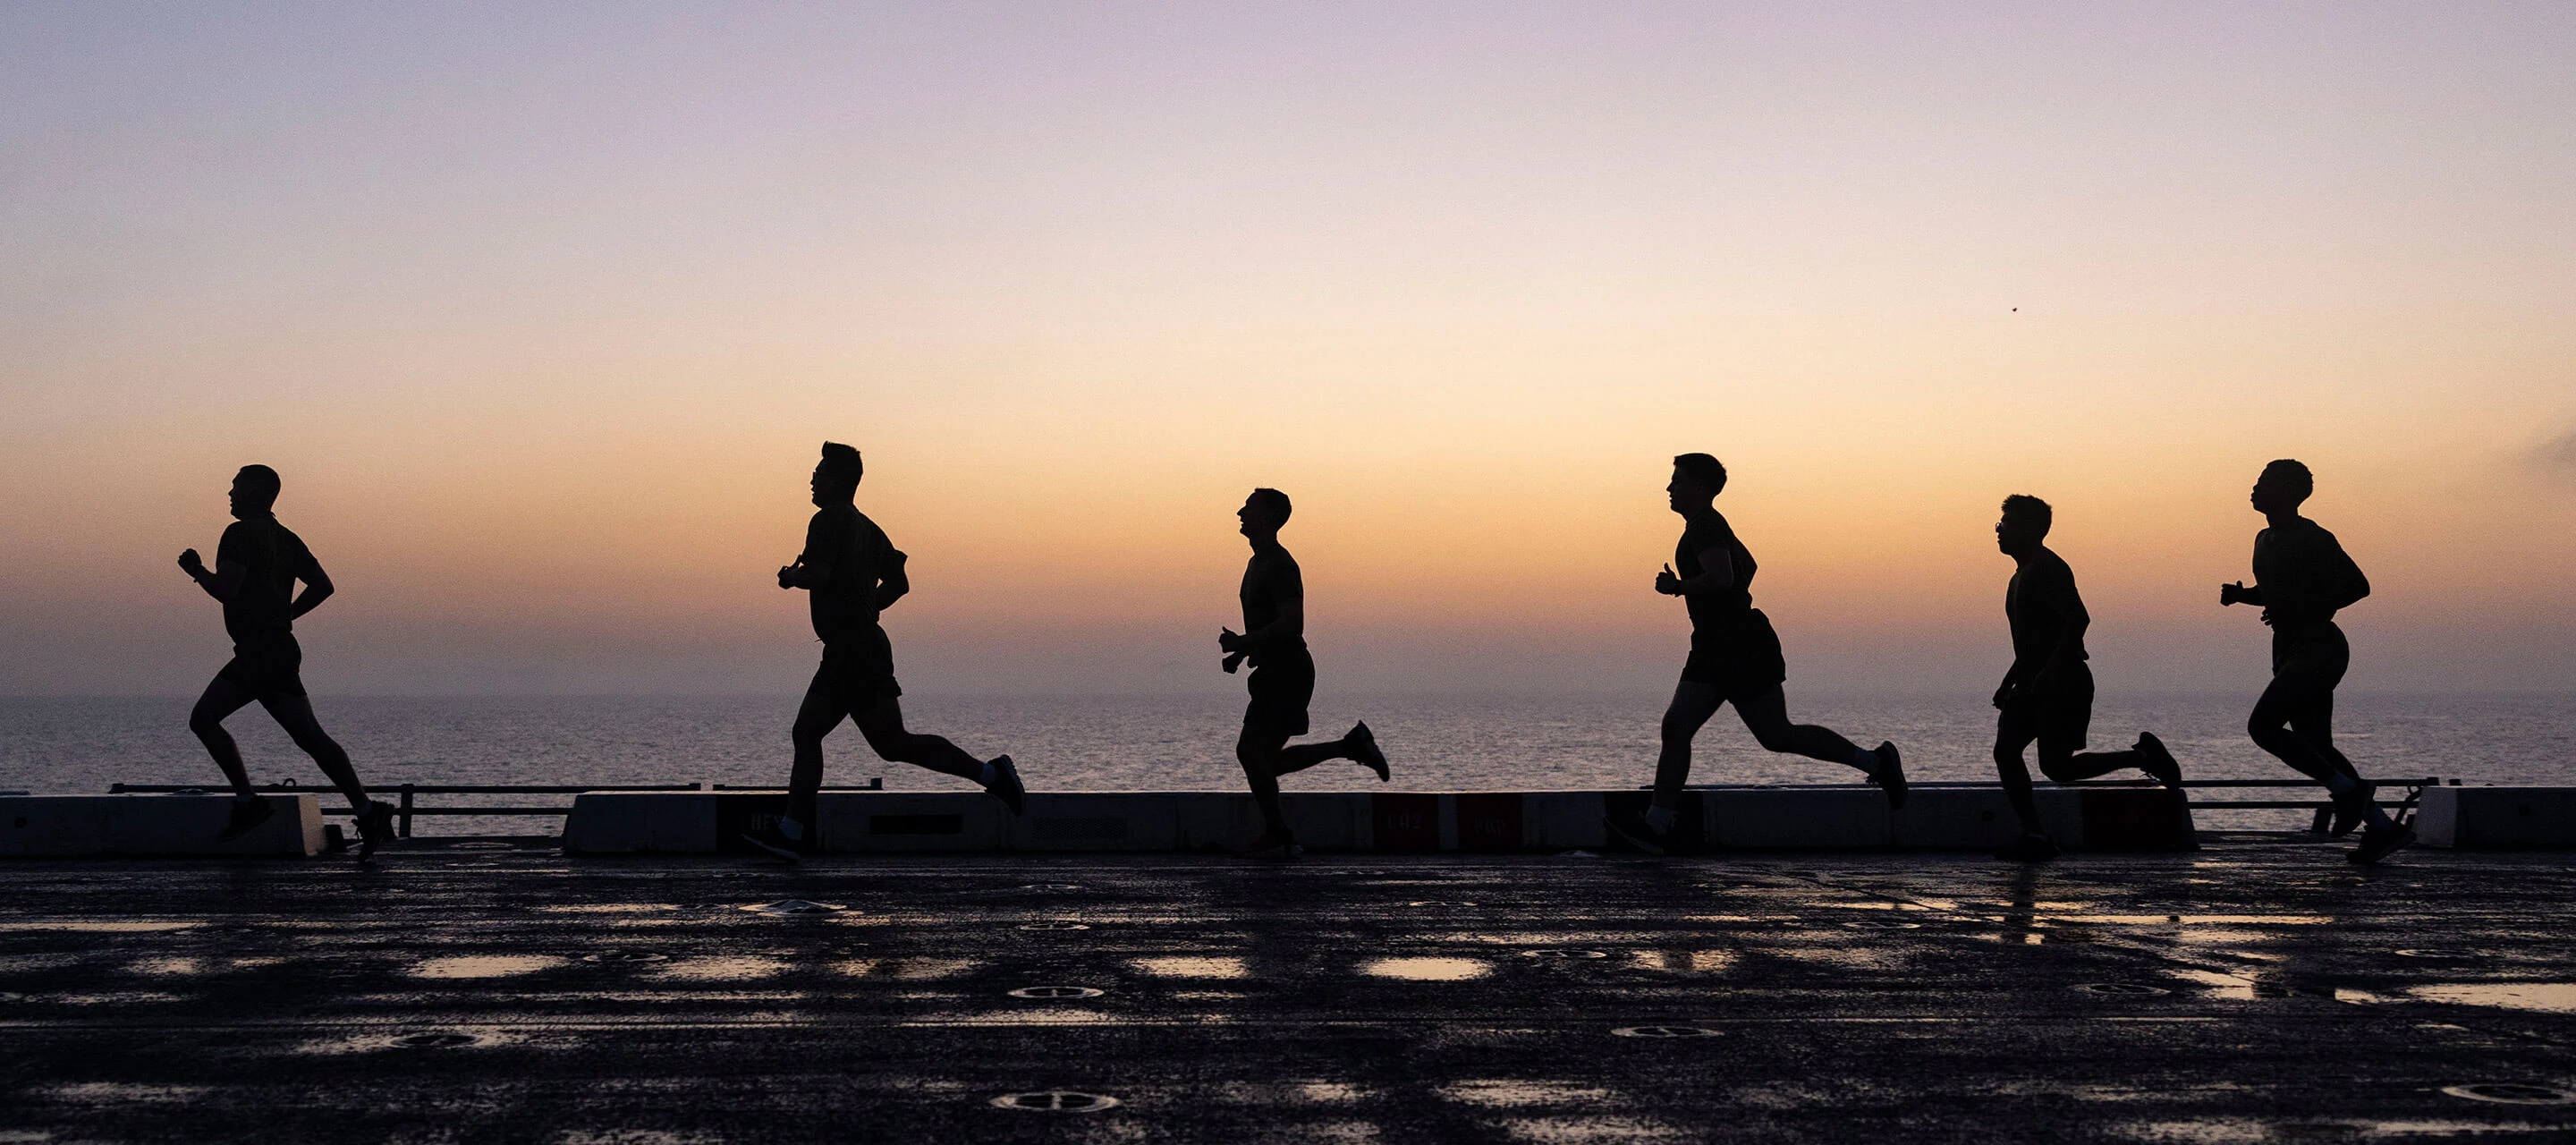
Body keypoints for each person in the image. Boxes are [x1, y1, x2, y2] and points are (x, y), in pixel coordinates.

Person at [1605, 454, 1904, 855]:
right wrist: (1696, 587)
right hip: (1721, 645)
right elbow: (1748, 566)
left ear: (1699, 486)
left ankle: (1657, 826)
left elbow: (1724, 577)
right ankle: (1875, 763)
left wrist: (1679, 588)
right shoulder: (1709, 525)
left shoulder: (1707, 524)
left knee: (1744, 732)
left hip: (1735, 647)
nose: (1669, 488)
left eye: (1677, 480)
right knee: (1734, 732)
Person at [743, 443, 1024, 861]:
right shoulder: (871, 530)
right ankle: (992, 774)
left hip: (850, 652)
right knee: (892, 744)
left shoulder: (825, 521)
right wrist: (869, 605)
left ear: (837, 481)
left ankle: (792, 831)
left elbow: (819, 574)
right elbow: (900, 583)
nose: (812, 480)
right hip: (861, 648)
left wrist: (791, 576)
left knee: (808, 733)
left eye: (819, 473)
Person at [176, 465, 396, 860]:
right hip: (278, 648)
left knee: (204, 719)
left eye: (236, 488)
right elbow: (323, 586)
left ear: (258, 495)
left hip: (260, 652)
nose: (229, 493)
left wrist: (196, 572)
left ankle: (248, 802)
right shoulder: (286, 539)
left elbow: (226, 590)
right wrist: (287, 615)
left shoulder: (239, 534)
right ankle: (367, 810)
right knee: (310, 737)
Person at [2222, 459, 2412, 864]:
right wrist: (2244, 596)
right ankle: (2381, 828)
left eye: (2265, 483)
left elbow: (2357, 586)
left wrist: (2299, 607)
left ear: (2291, 493)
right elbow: (2278, 592)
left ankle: (2350, 792)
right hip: (2287, 648)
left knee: (2263, 727)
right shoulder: (2263, 538)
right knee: (2317, 746)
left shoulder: (2313, 537)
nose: (2254, 488)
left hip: (2319, 648)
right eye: (2256, 480)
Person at [1987, 495, 2182, 862]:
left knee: (2057, 767)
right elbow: (2034, 640)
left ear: (2031, 530)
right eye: (1999, 525)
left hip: (2062, 683)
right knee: (2006, 751)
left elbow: (2078, 620)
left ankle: (2142, 756)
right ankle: (2034, 833)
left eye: (2006, 525)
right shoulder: (2020, 575)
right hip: (2032, 682)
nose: (1999, 532)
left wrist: (2048, 673)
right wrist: (2008, 680)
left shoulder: (2048, 569)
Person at [1219, 488, 1388, 859]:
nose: (1240, 512)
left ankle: (1280, 834)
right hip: (1273, 671)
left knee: (1251, 753)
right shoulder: (1256, 563)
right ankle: (1349, 747)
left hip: (1288, 673)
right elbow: (1274, 625)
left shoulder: (1279, 564)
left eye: (1249, 507)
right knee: (1260, 760)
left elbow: (1292, 624)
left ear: (1268, 517)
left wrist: (1244, 641)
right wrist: (1244, 651)